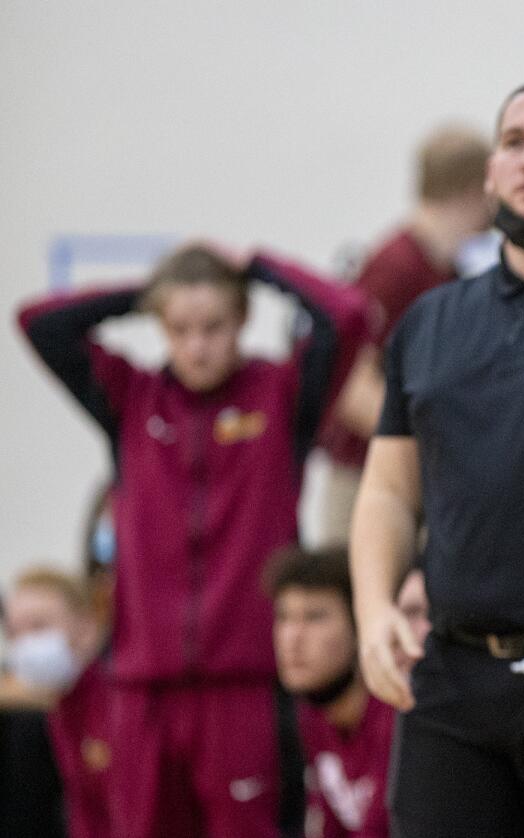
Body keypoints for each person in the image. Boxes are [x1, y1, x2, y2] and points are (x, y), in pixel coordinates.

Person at [350, 79, 524, 838]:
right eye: (514, 142)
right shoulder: (431, 320)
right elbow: (386, 490)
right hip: (451, 676)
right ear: (489, 173)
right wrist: (374, 607)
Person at [17, 244, 368, 838]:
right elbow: (38, 321)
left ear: (241, 323)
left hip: (246, 688)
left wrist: (257, 265)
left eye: (213, 327)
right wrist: (153, 287)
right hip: (140, 689)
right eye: (178, 329)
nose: (197, 345)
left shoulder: (280, 396)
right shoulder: (130, 399)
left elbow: (348, 314)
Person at [320, 127, 494, 543]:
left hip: (403, 475)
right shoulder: (397, 269)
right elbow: (352, 389)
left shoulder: (441, 267)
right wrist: (442, 440)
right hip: (365, 479)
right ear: (478, 190)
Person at [268, 546, 412, 838]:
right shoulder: (311, 713)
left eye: (314, 617)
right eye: (284, 617)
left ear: (361, 628)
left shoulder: (398, 710)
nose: (292, 637)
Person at [1, 568, 109, 838]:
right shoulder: (61, 704)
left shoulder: (118, 703)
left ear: (86, 627)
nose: (25, 644)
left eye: (38, 626)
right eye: (15, 633)